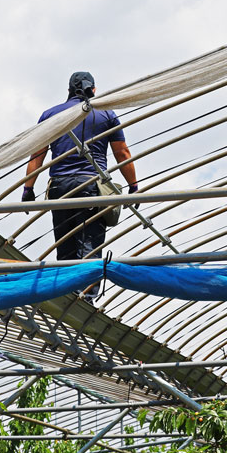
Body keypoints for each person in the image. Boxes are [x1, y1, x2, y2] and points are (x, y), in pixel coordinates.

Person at [22, 72, 138, 301]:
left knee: (65, 246)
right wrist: (133, 186)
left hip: (60, 187)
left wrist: (28, 189)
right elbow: (121, 152)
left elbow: (37, 154)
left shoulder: (51, 115)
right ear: (93, 90)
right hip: (91, 186)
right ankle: (86, 300)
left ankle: (66, 296)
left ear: (68, 90)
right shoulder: (106, 113)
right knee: (90, 247)